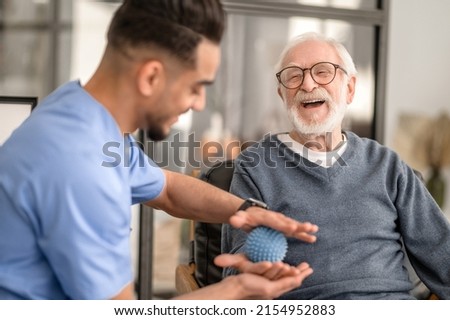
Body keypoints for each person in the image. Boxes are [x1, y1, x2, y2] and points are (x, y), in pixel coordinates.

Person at [0, 0, 319, 300]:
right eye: (196, 87)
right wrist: (237, 291)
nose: (199, 103)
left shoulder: (79, 114)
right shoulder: (82, 170)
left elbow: (167, 189)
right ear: (151, 76)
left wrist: (247, 211)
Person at [222, 32, 450, 299]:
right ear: (282, 94)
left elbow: (441, 255)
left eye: (323, 72)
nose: (307, 84)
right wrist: (255, 270)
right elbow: (237, 270)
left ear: (350, 88)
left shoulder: (387, 166)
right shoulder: (255, 167)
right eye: (293, 76)